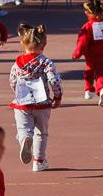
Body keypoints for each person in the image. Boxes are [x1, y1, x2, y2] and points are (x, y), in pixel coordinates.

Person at [9, 22, 63, 172]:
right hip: (42, 103)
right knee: (41, 132)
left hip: (22, 103)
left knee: (23, 128)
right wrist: (57, 97)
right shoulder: (46, 62)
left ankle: (25, 140)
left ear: (22, 43)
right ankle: (38, 161)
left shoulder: (17, 63)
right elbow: (54, 80)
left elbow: (12, 80)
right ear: (44, 45)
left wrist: (17, 93)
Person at [73, 0, 103, 106]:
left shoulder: (87, 27)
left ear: (90, 13)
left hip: (91, 56)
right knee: (102, 73)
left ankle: (89, 90)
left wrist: (77, 53)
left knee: (89, 71)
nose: (84, 12)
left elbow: (82, 43)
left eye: (86, 10)